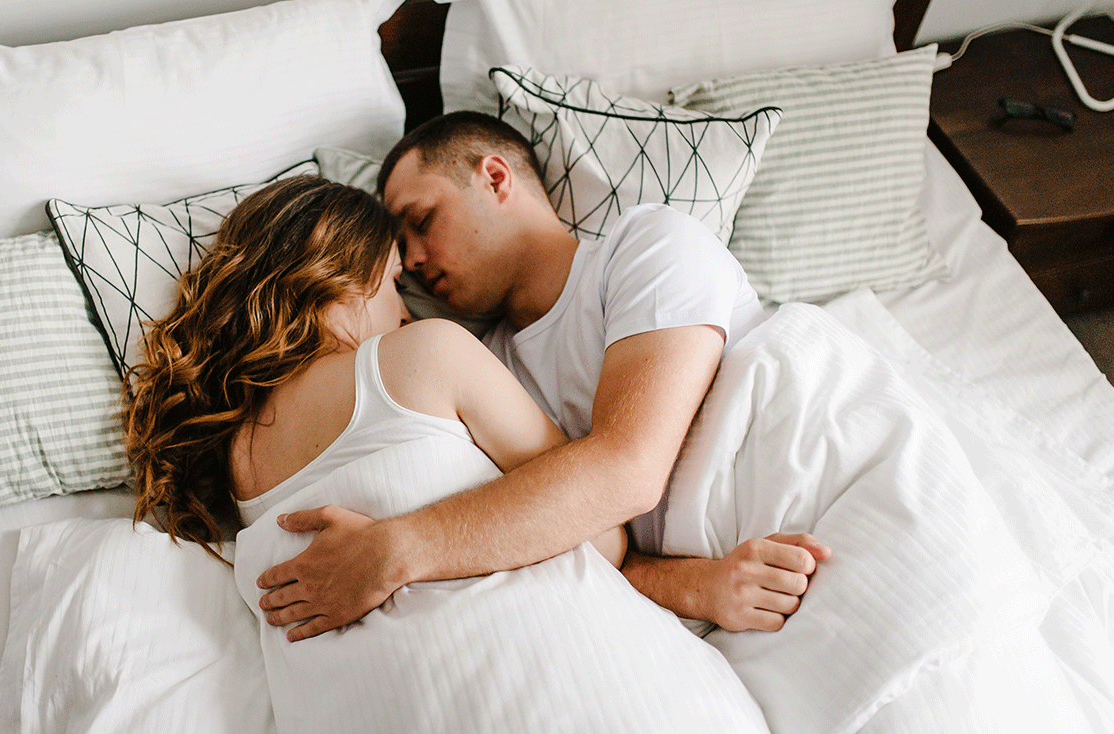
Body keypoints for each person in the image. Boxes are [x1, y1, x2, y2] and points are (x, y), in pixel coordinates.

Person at [256, 111, 832, 639]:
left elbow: (628, 469)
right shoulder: (489, 375)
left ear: (496, 178)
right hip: (745, 586)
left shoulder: (645, 247)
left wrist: (396, 550)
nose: (409, 261)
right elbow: (578, 542)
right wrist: (698, 586)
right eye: (400, 247)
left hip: (814, 480)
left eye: (422, 221)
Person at [124, 174, 627, 622]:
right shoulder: (431, 351)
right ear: (343, 277)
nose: (406, 311)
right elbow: (605, 536)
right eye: (391, 282)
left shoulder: (235, 460)